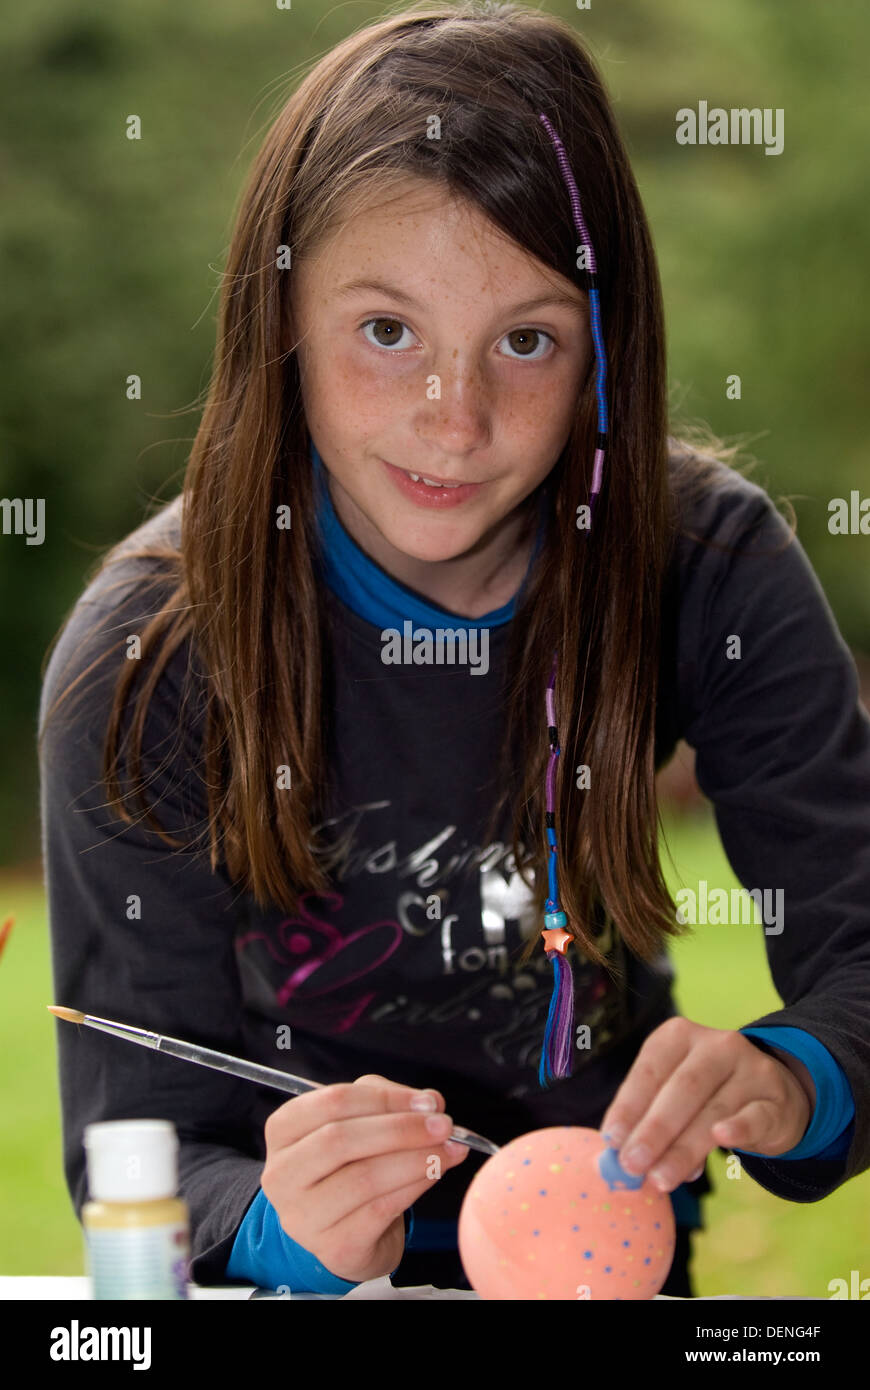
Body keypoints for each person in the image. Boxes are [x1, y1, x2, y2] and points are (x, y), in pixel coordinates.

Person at [39, 2, 867, 1299]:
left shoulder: (703, 560)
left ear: (605, 343)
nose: (456, 418)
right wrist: (280, 1228)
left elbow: (859, 947)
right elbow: (132, 1141)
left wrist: (789, 1074)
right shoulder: (145, 652)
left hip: (602, 1255)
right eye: (386, 331)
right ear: (283, 319)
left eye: (525, 340)